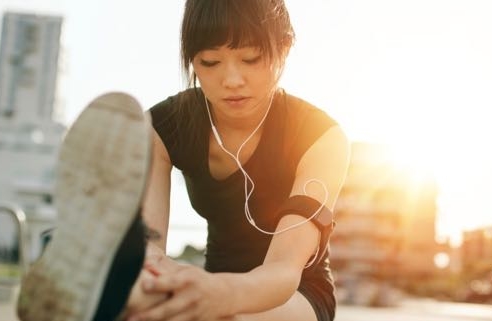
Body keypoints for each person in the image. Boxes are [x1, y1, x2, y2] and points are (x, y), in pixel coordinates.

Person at [17, 1, 349, 320]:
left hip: (297, 296)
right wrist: (161, 278)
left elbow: (283, 272)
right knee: (165, 297)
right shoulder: (163, 127)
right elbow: (153, 247)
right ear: (192, 60)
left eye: (251, 58)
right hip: (210, 281)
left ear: (285, 48)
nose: (231, 80)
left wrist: (215, 294)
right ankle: (107, 294)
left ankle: (112, 301)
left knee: (212, 315)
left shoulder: (321, 137)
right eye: (209, 62)